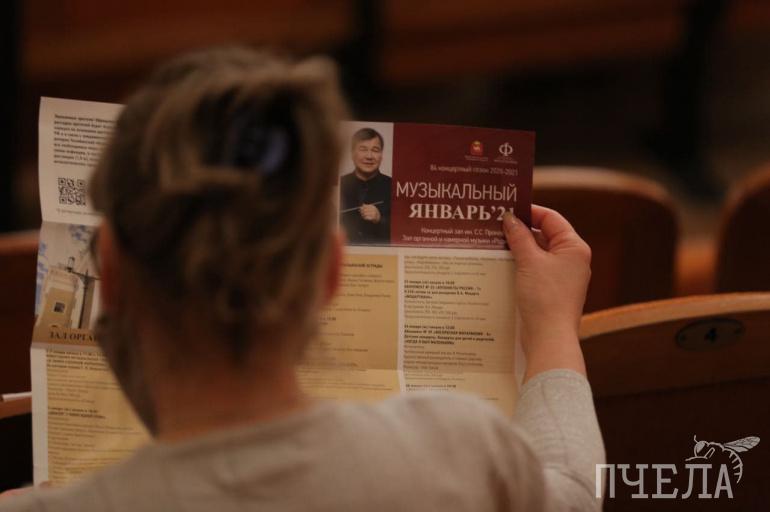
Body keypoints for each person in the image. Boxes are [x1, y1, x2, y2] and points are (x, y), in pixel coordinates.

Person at [0, 47, 604, 511]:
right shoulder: (460, 454)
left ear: (109, 270)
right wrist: (553, 325)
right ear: (330, 273)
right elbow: (573, 492)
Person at [339, 128, 392, 245]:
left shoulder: (395, 187)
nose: (369, 156)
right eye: (363, 149)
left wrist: (379, 219)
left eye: (375, 150)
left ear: (381, 156)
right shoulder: (339, 184)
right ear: (352, 154)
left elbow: (405, 232)